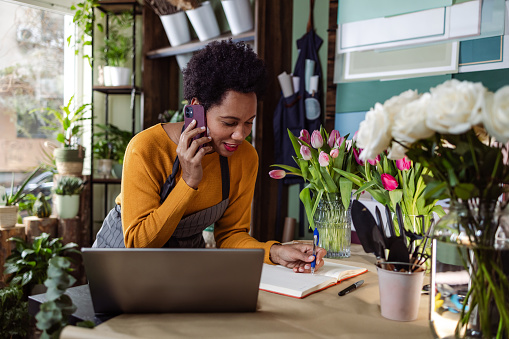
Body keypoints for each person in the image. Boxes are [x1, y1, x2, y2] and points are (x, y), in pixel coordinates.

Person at [95, 40, 325, 273]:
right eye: (229, 122)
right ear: (196, 108)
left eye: (249, 123)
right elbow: (138, 244)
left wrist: (274, 252)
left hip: (183, 267)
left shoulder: (245, 157)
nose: (240, 135)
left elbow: (230, 235)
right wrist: (188, 182)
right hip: (120, 265)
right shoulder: (146, 148)